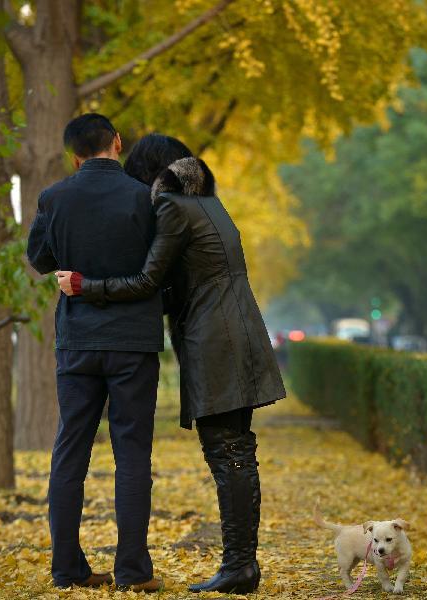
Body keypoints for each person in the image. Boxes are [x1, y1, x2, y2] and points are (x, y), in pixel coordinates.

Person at [54, 133, 286, 594]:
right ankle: (241, 564)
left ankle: (240, 566)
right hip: (234, 331)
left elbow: (147, 281)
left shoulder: (174, 209)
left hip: (215, 340)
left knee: (228, 454)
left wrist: (86, 287)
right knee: (237, 451)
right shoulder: (207, 205)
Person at [26, 114, 163, 593]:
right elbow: (158, 269)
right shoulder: (144, 197)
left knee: (69, 453)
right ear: (117, 143)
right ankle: (132, 572)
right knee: (132, 456)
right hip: (133, 342)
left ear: (73, 154)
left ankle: (67, 570)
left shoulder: (54, 198)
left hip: (78, 343)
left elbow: (41, 260)